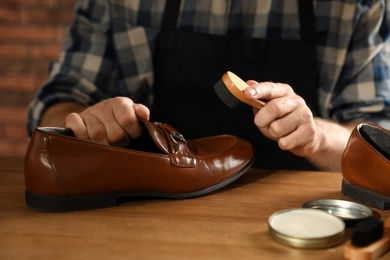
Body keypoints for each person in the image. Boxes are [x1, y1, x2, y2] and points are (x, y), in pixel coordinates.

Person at [27, 0, 390, 172]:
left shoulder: (354, 6)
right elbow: (59, 103)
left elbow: (379, 137)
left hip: (291, 217)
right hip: (147, 214)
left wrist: (316, 138)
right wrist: (87, 125)